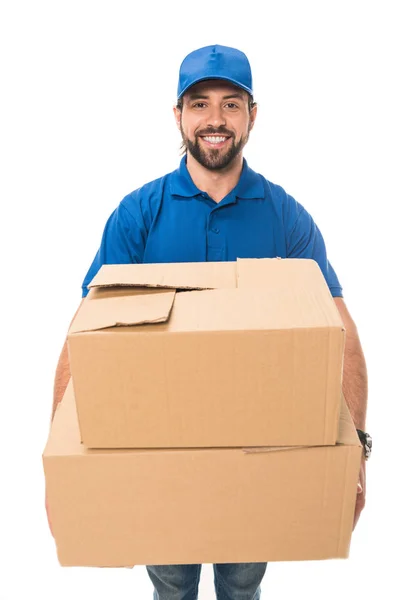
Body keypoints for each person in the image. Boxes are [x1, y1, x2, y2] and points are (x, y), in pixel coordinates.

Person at [48, 44, 370, 600]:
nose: (215, 120)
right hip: (157, 455)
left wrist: (354, 451)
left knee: (242, 587)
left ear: (251, 115)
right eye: (199, 104)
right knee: (171, 587)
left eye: (230, 104)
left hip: (259, 457)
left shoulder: (284, 215)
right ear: (178, 115)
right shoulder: (139, 214)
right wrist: (60, 462)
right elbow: (84, 337)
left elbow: (341, 335)